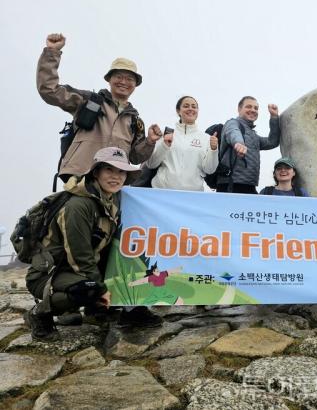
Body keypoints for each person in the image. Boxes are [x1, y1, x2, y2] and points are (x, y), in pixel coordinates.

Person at [24, 147, 141, 341]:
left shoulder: (110, 201)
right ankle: (39, 313)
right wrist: (102, 290)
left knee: (128, 273)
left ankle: (95, 310)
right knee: (90, 289)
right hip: (50, 273)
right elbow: (80, 257)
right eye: (109, 170)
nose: (116, 177)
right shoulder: (79, 206)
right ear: (95, 172)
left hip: (77, 270)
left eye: (121, 171)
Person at [37, 33, 162, 182]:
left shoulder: (135, 121)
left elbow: (135, 158)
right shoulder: (88, 101)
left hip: (113, 181)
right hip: (80, 176)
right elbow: (49, 90)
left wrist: (149, 141)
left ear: (135, 85)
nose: (124, 82)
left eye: (130, 79)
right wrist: (52, 52)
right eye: (119, 76)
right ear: (109, 79)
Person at [146, 96, 218, 191]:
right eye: (186, 106)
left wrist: (214, 150)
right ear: (178, 111)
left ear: (197, 111)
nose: (190, 109)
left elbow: (210, 169)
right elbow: (151, 164)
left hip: (192, 195)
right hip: (162, 192)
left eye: (194, 106)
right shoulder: (166, 134)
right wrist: (164, 145)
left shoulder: (206, 138)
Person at [216, 96, 280, 194]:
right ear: (239, 109)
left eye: (256, 108)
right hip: (230, 185)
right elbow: (233, 132)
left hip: (249, 185)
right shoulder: (232, 123)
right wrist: (239, 143)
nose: (253, 110)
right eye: (248, 107)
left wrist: (274, 117)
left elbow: (272, 142)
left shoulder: (253, 135)